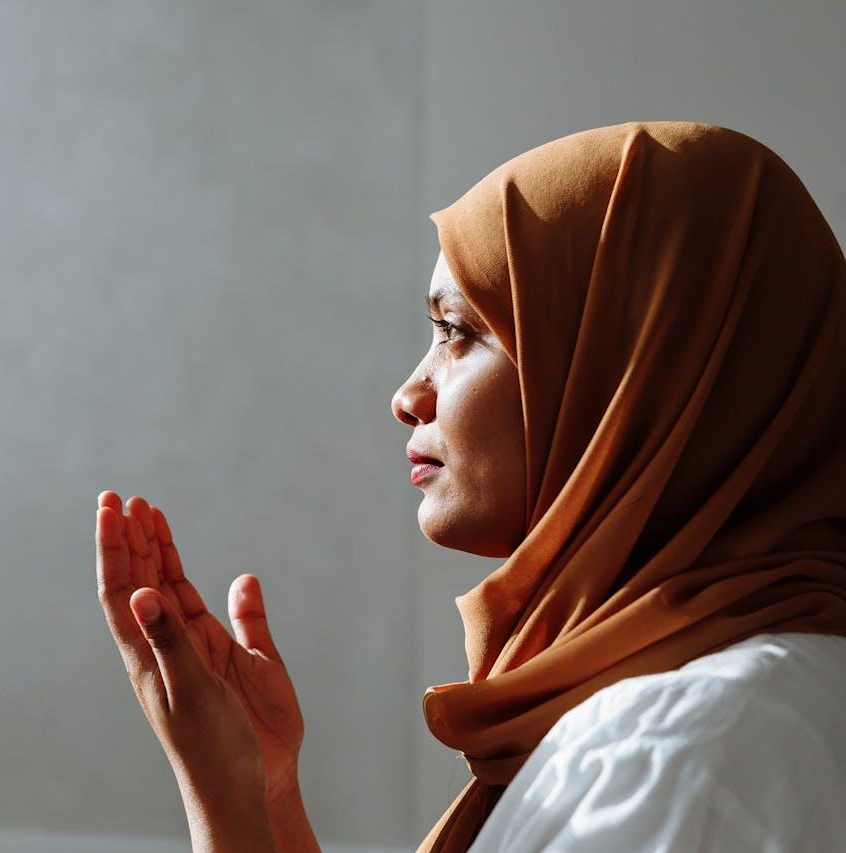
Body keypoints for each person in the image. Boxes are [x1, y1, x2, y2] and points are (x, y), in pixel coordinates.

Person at [93, 120, 846, 852]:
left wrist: (233, 803)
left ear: (637, 373)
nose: (408, 394)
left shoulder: (680, 747)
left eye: (457, 330)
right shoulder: (743, 707)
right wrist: (260, 793)